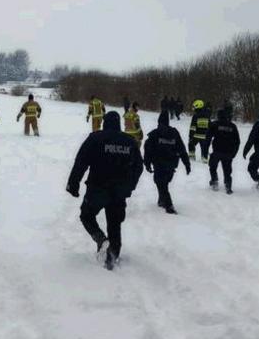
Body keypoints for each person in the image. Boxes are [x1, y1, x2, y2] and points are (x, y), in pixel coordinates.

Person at [66, 111, 144, 270]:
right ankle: (112, 257)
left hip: (98, 188)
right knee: (114, 224)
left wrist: (73, 184)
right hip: (119, 192)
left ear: (104, 123)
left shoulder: (95, 138)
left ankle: (101, 240)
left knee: (86, 216)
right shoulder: (129, 141)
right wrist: (130, 186)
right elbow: (138, 167)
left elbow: (80, 162)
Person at [143, 112, 190, 214]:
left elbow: (148, 150)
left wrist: (147, 164)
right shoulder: (174, 133)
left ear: (159, 122)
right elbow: (181, 148)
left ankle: (169, 205)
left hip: (159, 164)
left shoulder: (154, 134)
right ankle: (161, 200)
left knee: (161, 184)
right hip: (171, 165)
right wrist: (187, 163)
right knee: (164, 183)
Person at [208, 108, 241, 193]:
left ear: (218, 116)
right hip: (228, 152)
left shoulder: (215, 124)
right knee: (227, 170)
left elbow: (208, 138)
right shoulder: (232, 126)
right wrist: (234, 153)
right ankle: (228, 186)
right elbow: (237, 141)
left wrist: (205, 150)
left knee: (212, 166)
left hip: (217, 151)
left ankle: (214, 181)